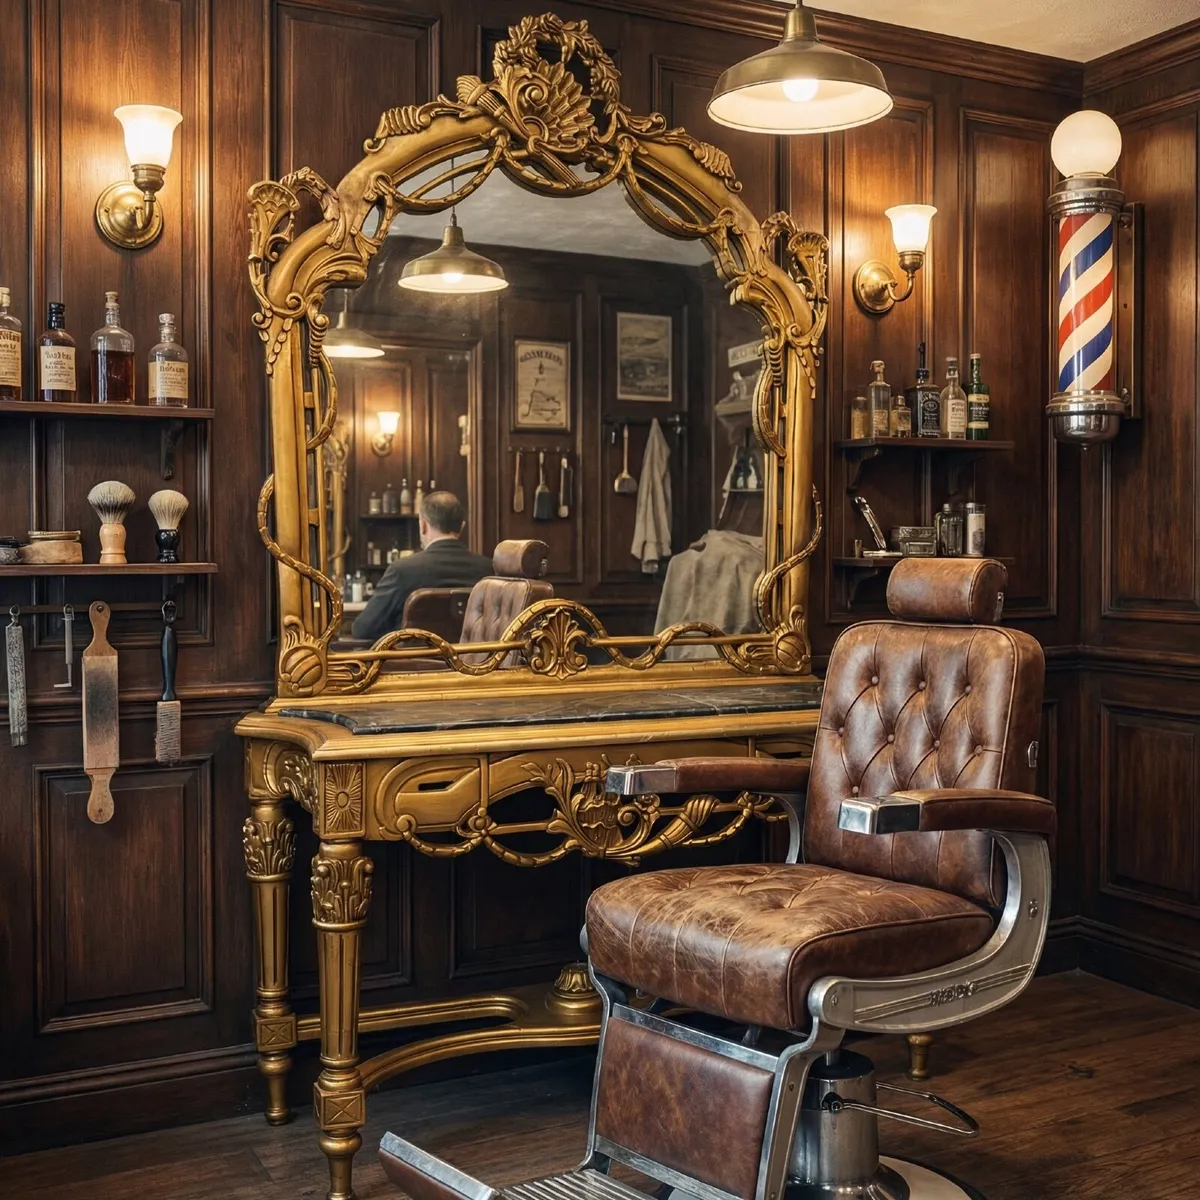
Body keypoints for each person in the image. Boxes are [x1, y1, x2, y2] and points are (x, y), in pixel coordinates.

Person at [351, 491, 492, 641]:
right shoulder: (488, 570)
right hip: (472, 661)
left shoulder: (402, 571)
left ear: (423, 525)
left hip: (415, 663)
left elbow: (363, 629)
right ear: (462, 526)